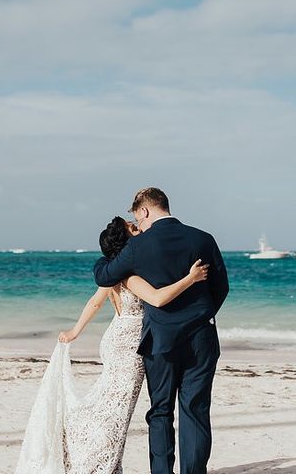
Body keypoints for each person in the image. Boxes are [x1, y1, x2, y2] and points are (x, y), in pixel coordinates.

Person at [15, 216, 209, 474]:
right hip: (129, 346)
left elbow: (95, 302)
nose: (138, 227)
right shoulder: (129, 275)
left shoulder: (113, 271)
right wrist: (190, 278)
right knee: (118, 411)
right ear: (126, 240)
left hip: (116, 337)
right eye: (132, 228)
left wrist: (76, 330)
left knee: (108, 403)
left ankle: (96, 456)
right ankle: (94, 462)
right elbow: (158, 298)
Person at [94, 187, 228, 474]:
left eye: (137, 218)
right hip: (202, 337)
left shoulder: (138, 247)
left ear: (144, 210)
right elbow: (221, 287)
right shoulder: (204, 239)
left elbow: (104, 275)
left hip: (160, 340)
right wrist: (200, 316)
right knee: (195, 410)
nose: (139, 225)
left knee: (161, 412)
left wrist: (106, 255)